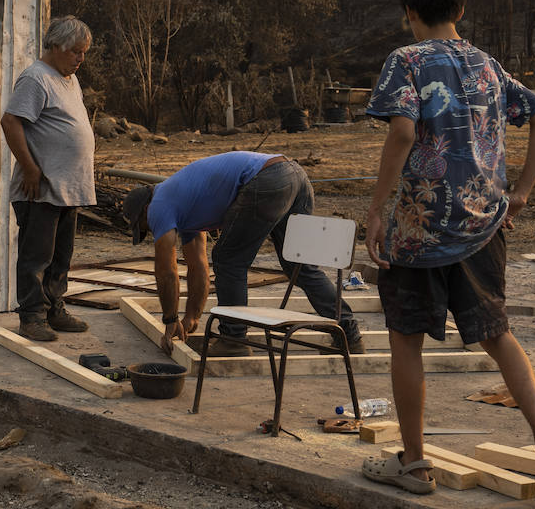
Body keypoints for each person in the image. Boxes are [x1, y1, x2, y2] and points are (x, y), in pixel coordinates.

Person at [361, 0, 535, 495]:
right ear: (460, 9)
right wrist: (521, 191)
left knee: (406, 340)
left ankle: (414, 464)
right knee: (498, 335)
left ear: (410, 13)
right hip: (484, 226)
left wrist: (375, 209)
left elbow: (403, 133)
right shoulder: (486, 65)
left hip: (419, 232)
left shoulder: (405, 60)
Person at [122, 151, 363, 357]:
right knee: (299, 265)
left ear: (145, 210)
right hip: (293, 176)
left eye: (145, 227)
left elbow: (167, 272)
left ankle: (233, 339)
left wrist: (169, 320)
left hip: (267, 179)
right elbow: (198, 267)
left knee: (229, 260)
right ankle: (349, 335)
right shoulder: (185, 208)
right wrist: (192, 317)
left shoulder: (159, 205)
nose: (152, 230)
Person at [0, 16, 96, 342]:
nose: (81, 58)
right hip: (41, 188)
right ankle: (32, 317)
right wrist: (30, 169)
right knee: (36, 256)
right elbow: (10, 122)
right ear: (55, 46)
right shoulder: (36, 79)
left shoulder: (68, 79)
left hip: (70, 187)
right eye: (75, 52)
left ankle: (55, 309)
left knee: (60, 255)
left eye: (84, 52)